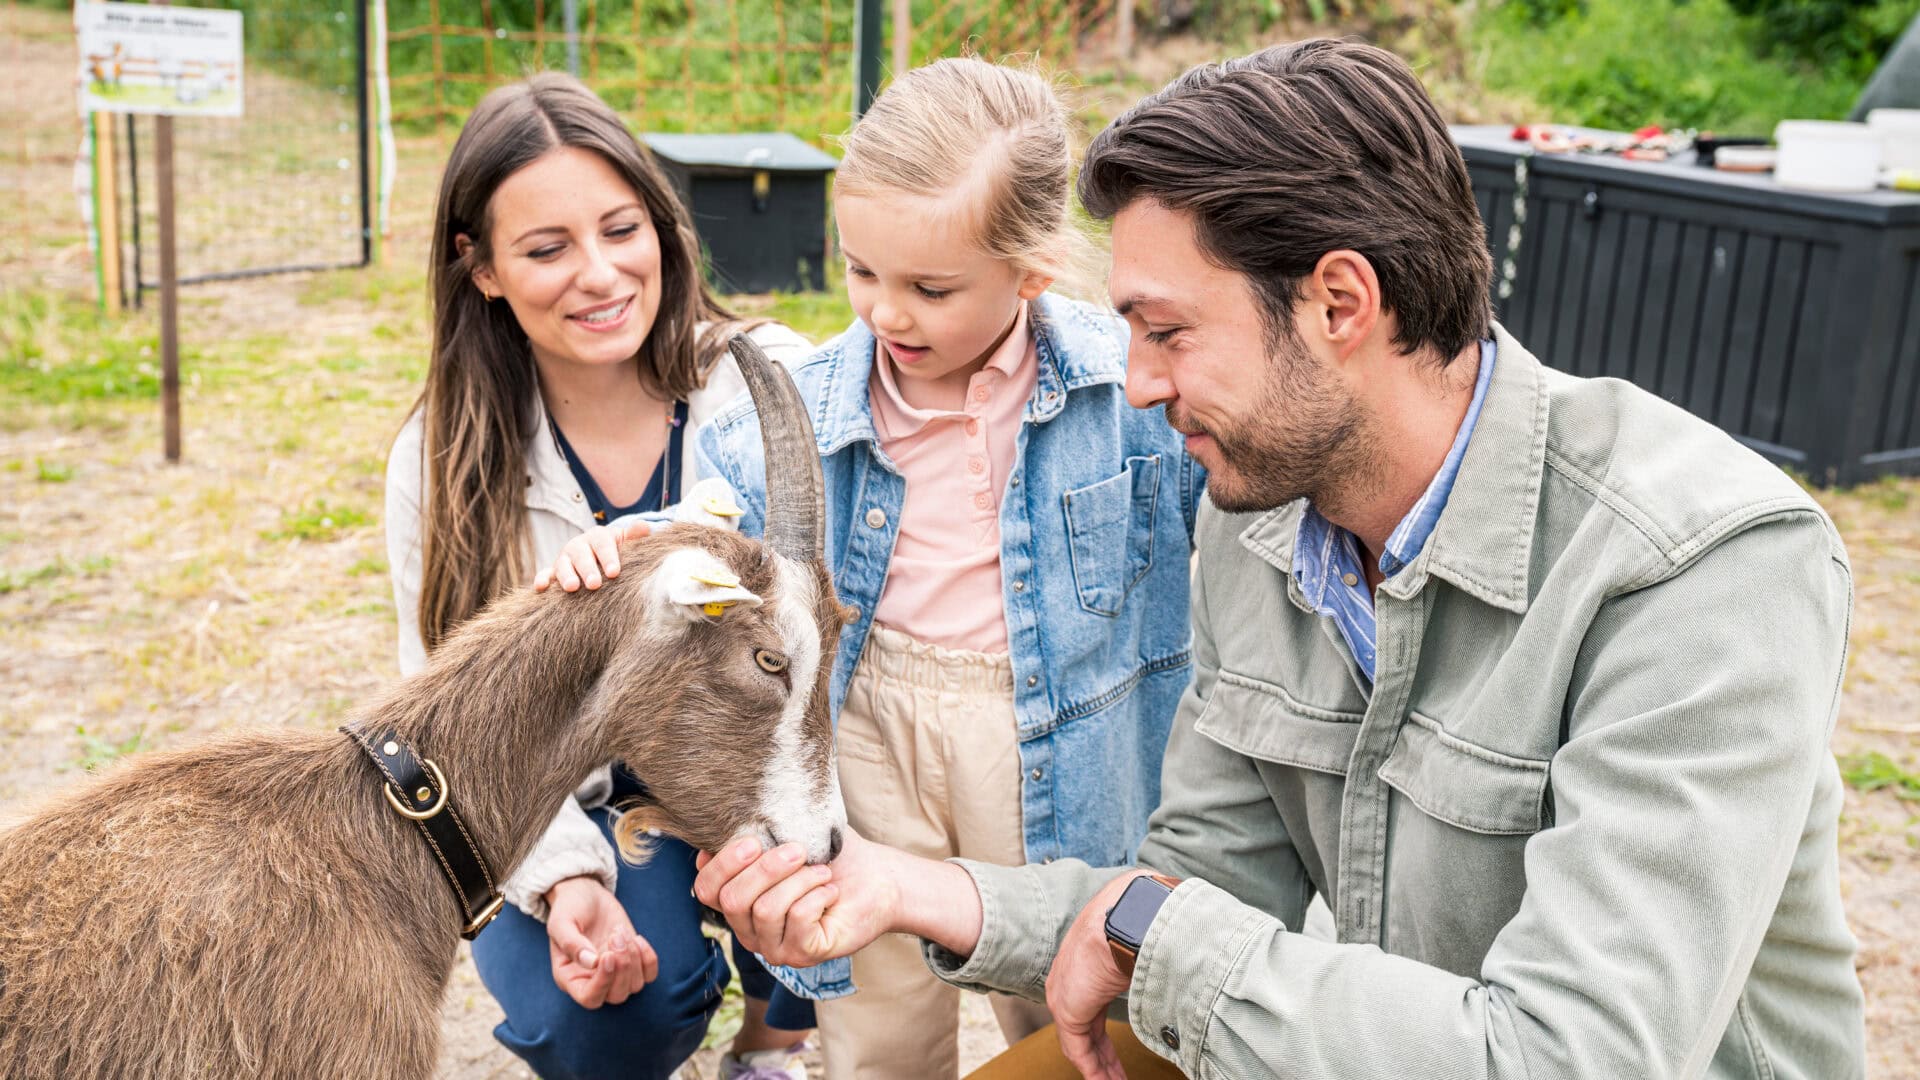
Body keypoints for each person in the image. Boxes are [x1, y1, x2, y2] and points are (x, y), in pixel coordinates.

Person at [691, 40, 1869, 1080]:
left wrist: (1165, 930)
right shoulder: (1259, 518)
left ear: (1338, 304)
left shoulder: (1702, 568)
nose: (1137, 383)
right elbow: (1196, 875)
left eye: (1167, 331)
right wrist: (904, 890)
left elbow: (1578, 1055)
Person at [535, 57, 1206, 1079]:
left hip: (1059, 735)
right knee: (879, 1003)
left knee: (1067, 999)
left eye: (929, 288)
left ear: (1031, 271)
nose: (886, 312)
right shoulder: (810, 402)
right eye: (860, 272)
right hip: (872, 725)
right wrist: (642, 546)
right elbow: (725, 517)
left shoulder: (1127, 392)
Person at [383, 72, 820, 1080]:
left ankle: (771, 1042)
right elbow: (441, 721)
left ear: (663, 227)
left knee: (820, 856)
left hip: (755, 760)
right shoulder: (439, 460)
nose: (600, 273)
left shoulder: (772, 382)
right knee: (597, 1021)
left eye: (622, 229)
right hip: (553, 789)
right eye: (545, 249)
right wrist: (560, 878)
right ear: (480, 267)